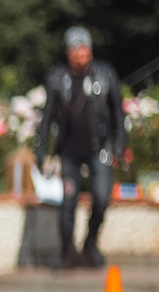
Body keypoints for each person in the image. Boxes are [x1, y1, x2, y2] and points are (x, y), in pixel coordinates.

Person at [34, 27, 125, 268]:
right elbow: (46, 119)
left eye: (86, 47)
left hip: (100, 149)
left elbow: (118, 113)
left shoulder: (104, 76)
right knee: (68, 202)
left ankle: (91, 243)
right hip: (69, 152)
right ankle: (67, 251)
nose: (83, 52)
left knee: (102, 197)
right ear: (68, 52)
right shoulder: (57, 80)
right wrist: (41, 151)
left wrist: (118, 147)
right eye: (77, 48)